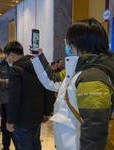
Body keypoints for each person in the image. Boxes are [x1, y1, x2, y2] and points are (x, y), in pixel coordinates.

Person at [30, 18, 114, 150]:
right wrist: (39, 57)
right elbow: (52, 80)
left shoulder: (93, 76)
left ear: (81, 42)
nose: (68, 45)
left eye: (70, 41)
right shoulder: (78, 69)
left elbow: (94, 127)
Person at [5, 41, 52, 150]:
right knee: (36, 143)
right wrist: (46, 111)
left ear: (11, 54)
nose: (7, 60)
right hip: (37, 115)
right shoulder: (37, 64)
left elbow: (13, 97)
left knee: (24, 146)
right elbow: (47, 88)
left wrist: (10, 120)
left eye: (7, 57)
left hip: (21, 119)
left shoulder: (15, 69)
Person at [0, 45, 18, 150]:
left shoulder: (10, 64)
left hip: (10, 100)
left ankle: (17, 146)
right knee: (5, 126)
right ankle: (6, 147)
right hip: (3, 100)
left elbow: (13, 82)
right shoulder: (0, 65)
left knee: (11, 126)